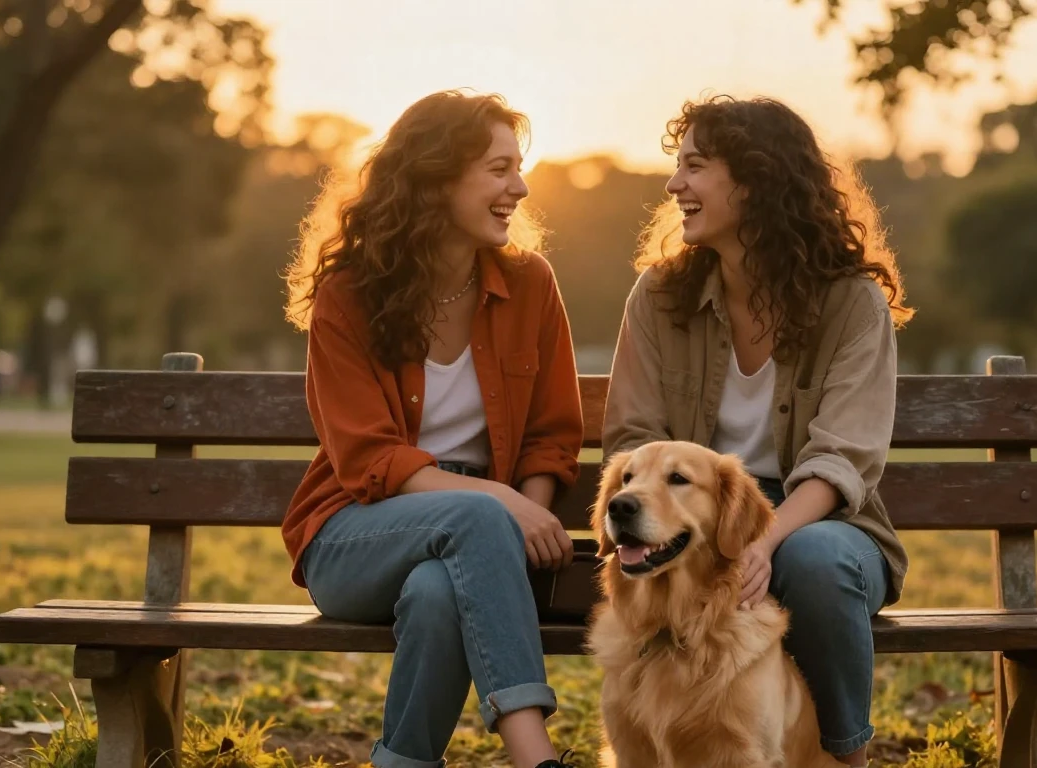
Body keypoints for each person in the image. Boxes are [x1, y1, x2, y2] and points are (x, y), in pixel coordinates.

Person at [602, 94, 914, 767]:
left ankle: (843, 757)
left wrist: (763, 538)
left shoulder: (852, 302)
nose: (673, 185)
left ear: (756, 180)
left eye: (695, 168)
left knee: (818, 562)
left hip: (822, 522)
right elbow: (632, 436)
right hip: (691, 515)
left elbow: (843, 458)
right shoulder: (658, 298)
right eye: (676, 167)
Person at [281, 89, 582, 768]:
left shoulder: (530, 284)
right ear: (438, 177)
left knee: (438, 593)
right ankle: (538, 758)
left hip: (485, 544)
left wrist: (525, 518)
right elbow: (366, 458)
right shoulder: (349, 294)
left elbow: (553, 433)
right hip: (358, 531)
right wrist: (502, 508)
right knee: (474, 521)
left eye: (520, 166)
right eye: (499, 169)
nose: (521, 186)